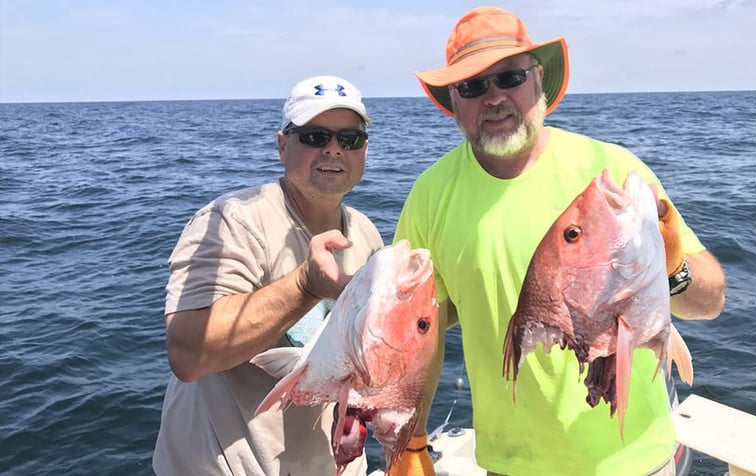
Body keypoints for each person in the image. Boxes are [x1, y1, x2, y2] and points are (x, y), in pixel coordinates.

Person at [394, 6, 727, 476]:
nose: (493, 97)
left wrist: (672, 267)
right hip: (512, 464)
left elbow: (710, 302)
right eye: (472, 86)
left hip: (637, 460)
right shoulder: (429, 197)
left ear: (539, 82)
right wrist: (412, 440)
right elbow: (416, 330)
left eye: (509, 77)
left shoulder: (610, 169)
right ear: (454, 100)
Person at [153, 75, 386, 475]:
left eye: (350, 139)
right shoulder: (232, 221)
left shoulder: (367, 234)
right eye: (314, 136)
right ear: (282, 145)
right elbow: (187, 354)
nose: (333, 149)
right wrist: (304, 285)